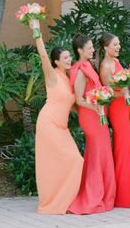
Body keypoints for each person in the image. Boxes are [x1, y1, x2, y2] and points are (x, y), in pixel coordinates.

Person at [29, 20, 83, 214]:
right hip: (49, 123)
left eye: (70, 57)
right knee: (59, 162)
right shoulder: (52, 76)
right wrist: (36, 29)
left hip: (62, 127)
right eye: (66, 57)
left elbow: (74, 104)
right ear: (56, 62)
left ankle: (65, 200)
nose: (69, 60)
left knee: (75, 160)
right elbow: (43, 54)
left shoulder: (70, 79)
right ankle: (55, 202)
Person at [68, 34, 116, 214]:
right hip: (90, 116)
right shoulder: (80, 69)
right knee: (97, 154)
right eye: (89, 48)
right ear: (80, 50)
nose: (92, 50)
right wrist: (96, 107)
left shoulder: (89, 66)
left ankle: (105, 195)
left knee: (101, 153)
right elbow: (79, 100)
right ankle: (93, 196)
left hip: (98, 115)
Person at [99, 33, 130, 208]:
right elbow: (108, 91)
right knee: (122, 148)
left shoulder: (115, 62)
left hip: (125, 106)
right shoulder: (106, 65)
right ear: (106, 47)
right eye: (115, 44)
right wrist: (124, 91)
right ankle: (122, 196)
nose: (118, 46)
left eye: (118, 43)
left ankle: (128, 193)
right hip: (117, 109)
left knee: (127, 147)